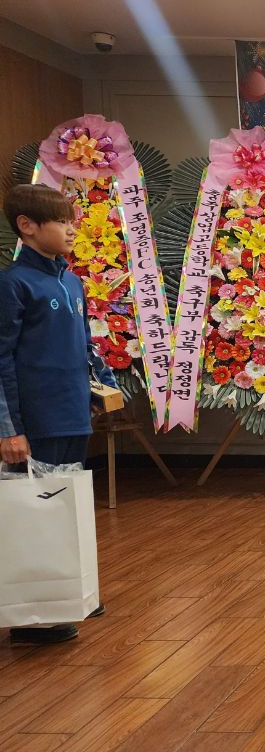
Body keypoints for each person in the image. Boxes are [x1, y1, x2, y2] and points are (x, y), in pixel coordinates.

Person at [0, 183, 117, 643]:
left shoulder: (71, 281)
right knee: (34, 512)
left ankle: (69, 595)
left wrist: (100, 388)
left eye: (73, 221)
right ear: (27, 226)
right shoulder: (13, 284)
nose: (72, 230)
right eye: (62, 222)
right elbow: (1, 360)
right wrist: (9, 430)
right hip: (35, 420)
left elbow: (84, 346)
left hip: (72, 413)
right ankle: (32, 618)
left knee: (69, 506)